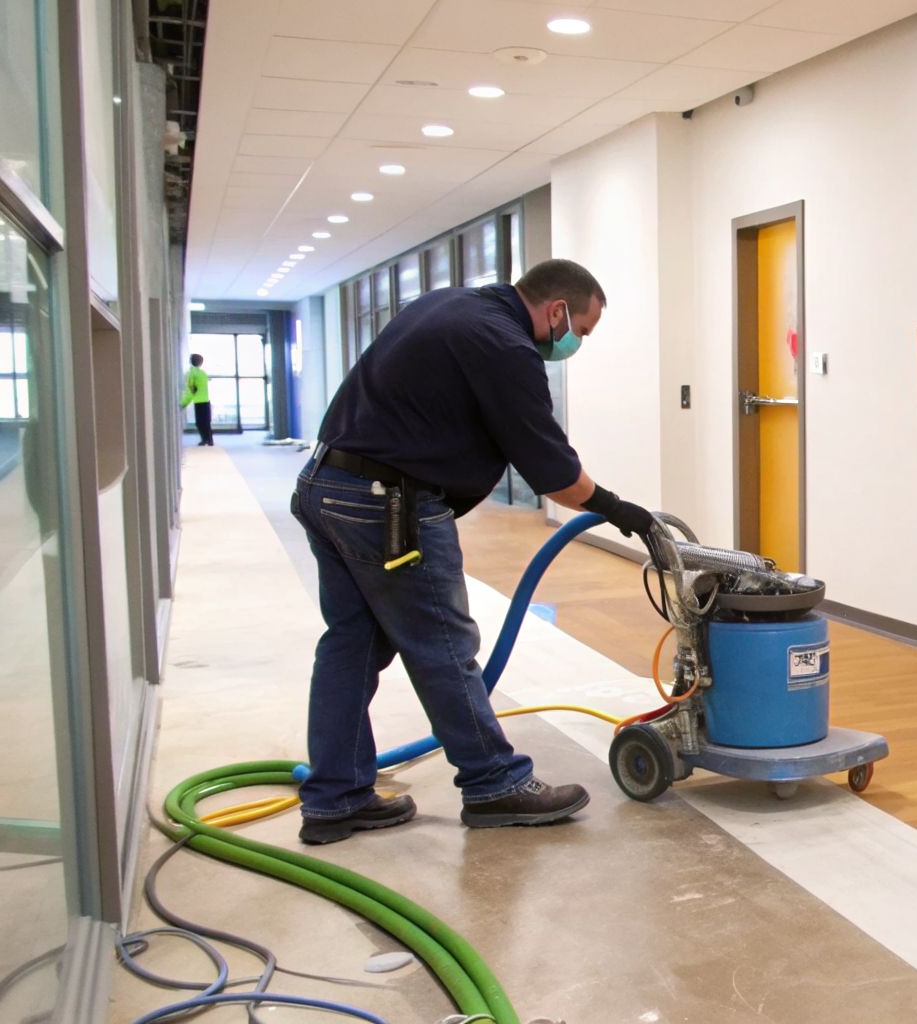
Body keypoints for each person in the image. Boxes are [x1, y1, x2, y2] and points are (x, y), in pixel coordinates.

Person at [289, 258, 653, 845]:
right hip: (386, 505)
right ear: (557, 310)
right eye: (580, 331)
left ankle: (336, 796)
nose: (572, 343)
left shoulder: (450, 304)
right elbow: (552, 471)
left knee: (351, 645)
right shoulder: (505, 346)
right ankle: (492, 783)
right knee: (442, 645)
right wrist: (617, 509)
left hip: (327, 485)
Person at [181, 353, 212, 445]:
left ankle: (205, 440)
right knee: (206, 422)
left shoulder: (190, 374)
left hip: (198, 401)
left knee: (199, 423)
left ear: (190, 361)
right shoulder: (203, 374)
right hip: (206, 400)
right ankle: (209, 440)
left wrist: (184, 403)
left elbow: (191, 390)